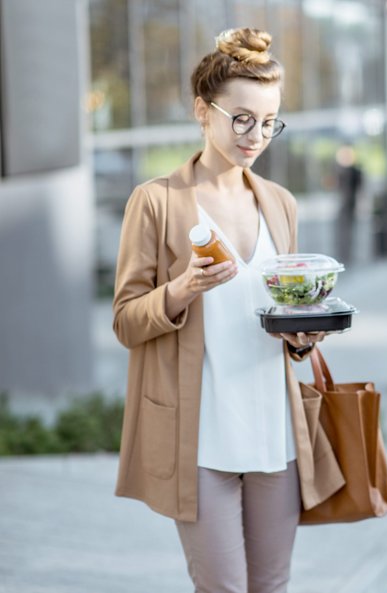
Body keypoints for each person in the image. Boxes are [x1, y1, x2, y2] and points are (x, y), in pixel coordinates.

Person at [112, 28, 341, 593]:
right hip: (200, 436)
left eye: (268, 122)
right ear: (202, 110)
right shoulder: (158, 202)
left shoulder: (280, 203)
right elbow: (124, 320)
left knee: (272, 586)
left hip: (275, 434)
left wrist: (303, 335)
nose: (255, 135)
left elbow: (281, 316)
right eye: (241, 118)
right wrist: (184, 287)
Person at [334, 144, 363, 264]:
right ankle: (342, 253)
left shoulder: (356, 171)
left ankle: (349, 254)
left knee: (350, 231)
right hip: (340, 206)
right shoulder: (337, 170)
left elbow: (360, 190)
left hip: (351, 205)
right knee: (340, 231)